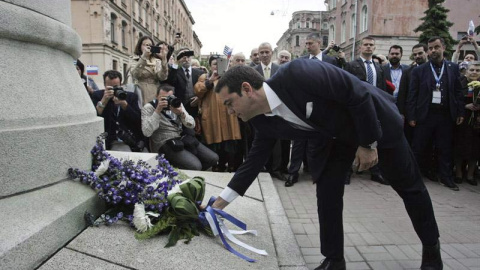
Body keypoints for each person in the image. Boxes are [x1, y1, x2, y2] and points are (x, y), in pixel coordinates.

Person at [210, 62, 443, 270]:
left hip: (374, 123)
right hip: (333, 141)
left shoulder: (299, 73)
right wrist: (218, 205)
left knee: (409, 187)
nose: (231, 112)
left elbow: (358, 94)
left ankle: (432, 250)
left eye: (230, 103)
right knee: (327, 193)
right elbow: (253, 162)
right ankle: (334, 260)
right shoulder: (260, 120)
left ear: (247, 89)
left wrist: (368, 143)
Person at [407, 36, 465, 191]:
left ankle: (446, 177)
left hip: (445, 115)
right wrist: (411, 116)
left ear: (443, 48)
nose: (433, 50)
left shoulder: (453, 67)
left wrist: (460, 112)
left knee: (445, 148)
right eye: (430, 48)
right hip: (425, 115)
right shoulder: (419, 70)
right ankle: (413, 177)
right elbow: (412, 94)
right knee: (418, 147)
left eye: (436, 47)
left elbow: (458, 91)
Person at [141, 84, 218, 170]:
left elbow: (192, 124)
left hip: (181, 138)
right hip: (163, 142)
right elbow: (146, 132)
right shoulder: (149, 107)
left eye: (169, 98)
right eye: (163, 98)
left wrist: (181, 113)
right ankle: (176, 168)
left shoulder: (176, 103)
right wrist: (157, 110)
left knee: (213, 158)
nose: (167, 101)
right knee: (195, 166)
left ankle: (186, 168)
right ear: (156, 96)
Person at [344, 36, 388, 185]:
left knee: (375, 138)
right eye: (366, 45)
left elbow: (382, 89)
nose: (368, 47)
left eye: (371, 45)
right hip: (357, 109)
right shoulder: (351, 65)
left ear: (374, 48)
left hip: (375, 107)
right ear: (360, 48)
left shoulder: (379, 68)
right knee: (353, 138)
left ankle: (375, 171)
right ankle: (347, 171)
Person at [194, 55, 243, 172]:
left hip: (229, 115)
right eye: (214, 64)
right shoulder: (204, 77)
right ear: (210, 66)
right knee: (215, 141)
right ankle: (218, 165)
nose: (217, 66)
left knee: (230, 141)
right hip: (212, 115)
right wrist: (210, 80)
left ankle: (231, 165)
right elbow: (198, 91)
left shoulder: (230, 76)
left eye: (220, 63)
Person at [254, 42, 289, 180]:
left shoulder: (280, 69)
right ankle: (264, 168)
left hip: (278, 111)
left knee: (278, 142)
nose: (264, 55)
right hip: (260, 112)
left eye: (266, 52)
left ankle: (277, 169)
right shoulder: (253, 71)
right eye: (261, 52)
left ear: (271, 53)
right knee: (261, 141)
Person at [92, 70, 144, 152]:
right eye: (110, 87)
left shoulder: (130, 97)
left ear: (121, 85)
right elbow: (95, 116)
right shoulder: (98, 95)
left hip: (129, 137)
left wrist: (125, 105)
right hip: (109, 137)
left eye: (116, 87)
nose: (113, 90)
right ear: (105, 85)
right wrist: (104, 100)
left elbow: (137, 119)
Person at [454, 61, 480, 186]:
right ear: (467, 71)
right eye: (472, 70)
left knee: (475, 149)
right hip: (463, 120)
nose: (474, 72)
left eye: (477, 70)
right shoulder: (460, 83)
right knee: (460, 147)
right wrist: (465, 106)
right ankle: (458, 173)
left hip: (477, 122)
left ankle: (470, 174)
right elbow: (454, 100)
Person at [397, 43, 429, 144]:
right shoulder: (408, 72)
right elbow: (402, 93)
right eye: (415, 54)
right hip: (413, 115)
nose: (417, 56)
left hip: (431, 114)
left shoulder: (434, 69)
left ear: (427, 53)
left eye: (420, 53)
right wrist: (403, 113)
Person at [164, 47, 205, 119]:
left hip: (196, 107)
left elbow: (204, 88)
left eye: (188, 56)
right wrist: (176, 62)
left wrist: (199, 98)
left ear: (191, 57)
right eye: (183, 56)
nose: (186, 59)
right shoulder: (175, 72)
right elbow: (170, 82)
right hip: (180, 107)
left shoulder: (199, 72)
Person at [128, 36, 169, 105]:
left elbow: (162, 77)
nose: (148, 47)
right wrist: (144, 57)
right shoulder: (134, 59)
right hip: (141, 90)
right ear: (140, 46)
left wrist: (164, 60)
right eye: (146, 45)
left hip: (155, 90)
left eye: (150, 45)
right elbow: (135, 74)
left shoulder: (157, 61)